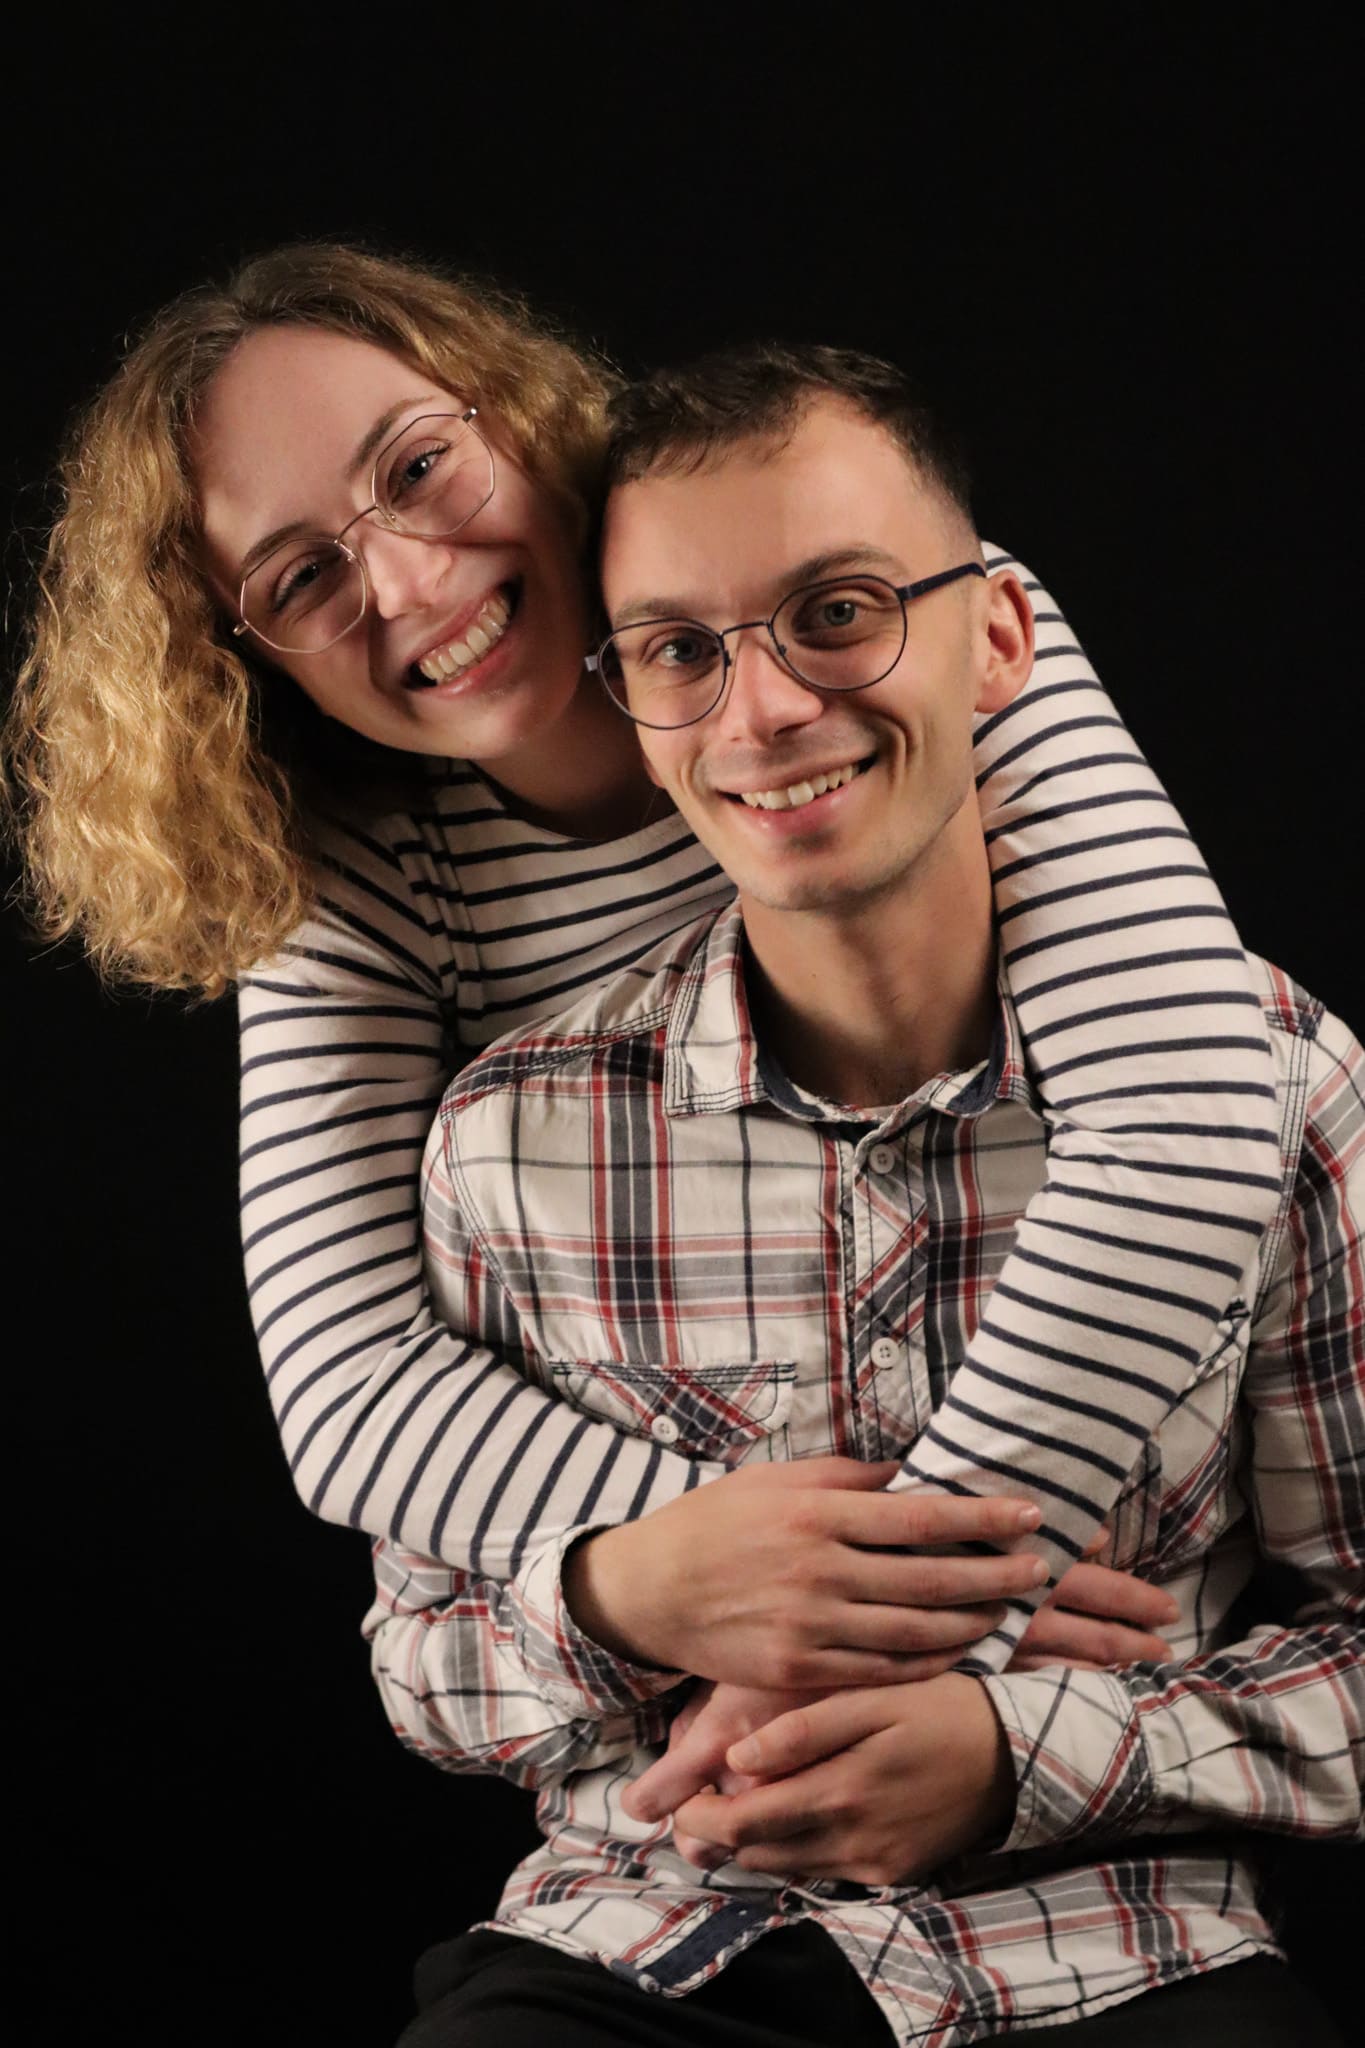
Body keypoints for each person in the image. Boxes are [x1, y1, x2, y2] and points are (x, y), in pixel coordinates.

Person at [5, 244, 1280, 1669]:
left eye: (420, 470)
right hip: (722, 1622)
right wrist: (730, 1594)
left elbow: (1192, 1116)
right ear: (240, 656)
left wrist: (932, 1591)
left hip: (1086, 1506)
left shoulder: (893, 631)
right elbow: (351, 1394)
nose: (413, 582)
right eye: (303, 576)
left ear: (518, 418)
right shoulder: (358, 879)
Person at [364, 344, 1363, 2046]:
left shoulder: (1280, 1085)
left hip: (1112, 1943)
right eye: (682, 650)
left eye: (836, 612)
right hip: (639, 1942)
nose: (762, 712)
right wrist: (624, 1597)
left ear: (997, 639)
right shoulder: (510, 1138)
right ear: (631, 701)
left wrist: (1018, 1758)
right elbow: (425, 1674)